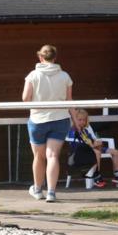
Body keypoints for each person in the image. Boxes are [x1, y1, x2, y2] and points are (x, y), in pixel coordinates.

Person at [23, 44, 73, 203]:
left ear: (40, 57)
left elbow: (25, 98)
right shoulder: (65, 76)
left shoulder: (32, 75)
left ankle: (37, 189)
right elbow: (69, 100)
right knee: (53, 155)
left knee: (39, 156)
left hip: (38, 119)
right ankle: (51, 192)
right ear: (55, 58)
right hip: (60, 119)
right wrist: (76, 121)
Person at [66, 109, 118, 187]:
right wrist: (93, 145)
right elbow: (77, 144)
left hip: (92, 148)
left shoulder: (85, 130)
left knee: (115, 152)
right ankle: (96, 176)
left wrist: (97, 142)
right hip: (80, 152)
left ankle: (117, 175)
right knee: (97, 153)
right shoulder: (74, 131)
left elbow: (91, 140)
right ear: (74, 120)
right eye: (79, 120)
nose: (82, 122)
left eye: (84, 120)